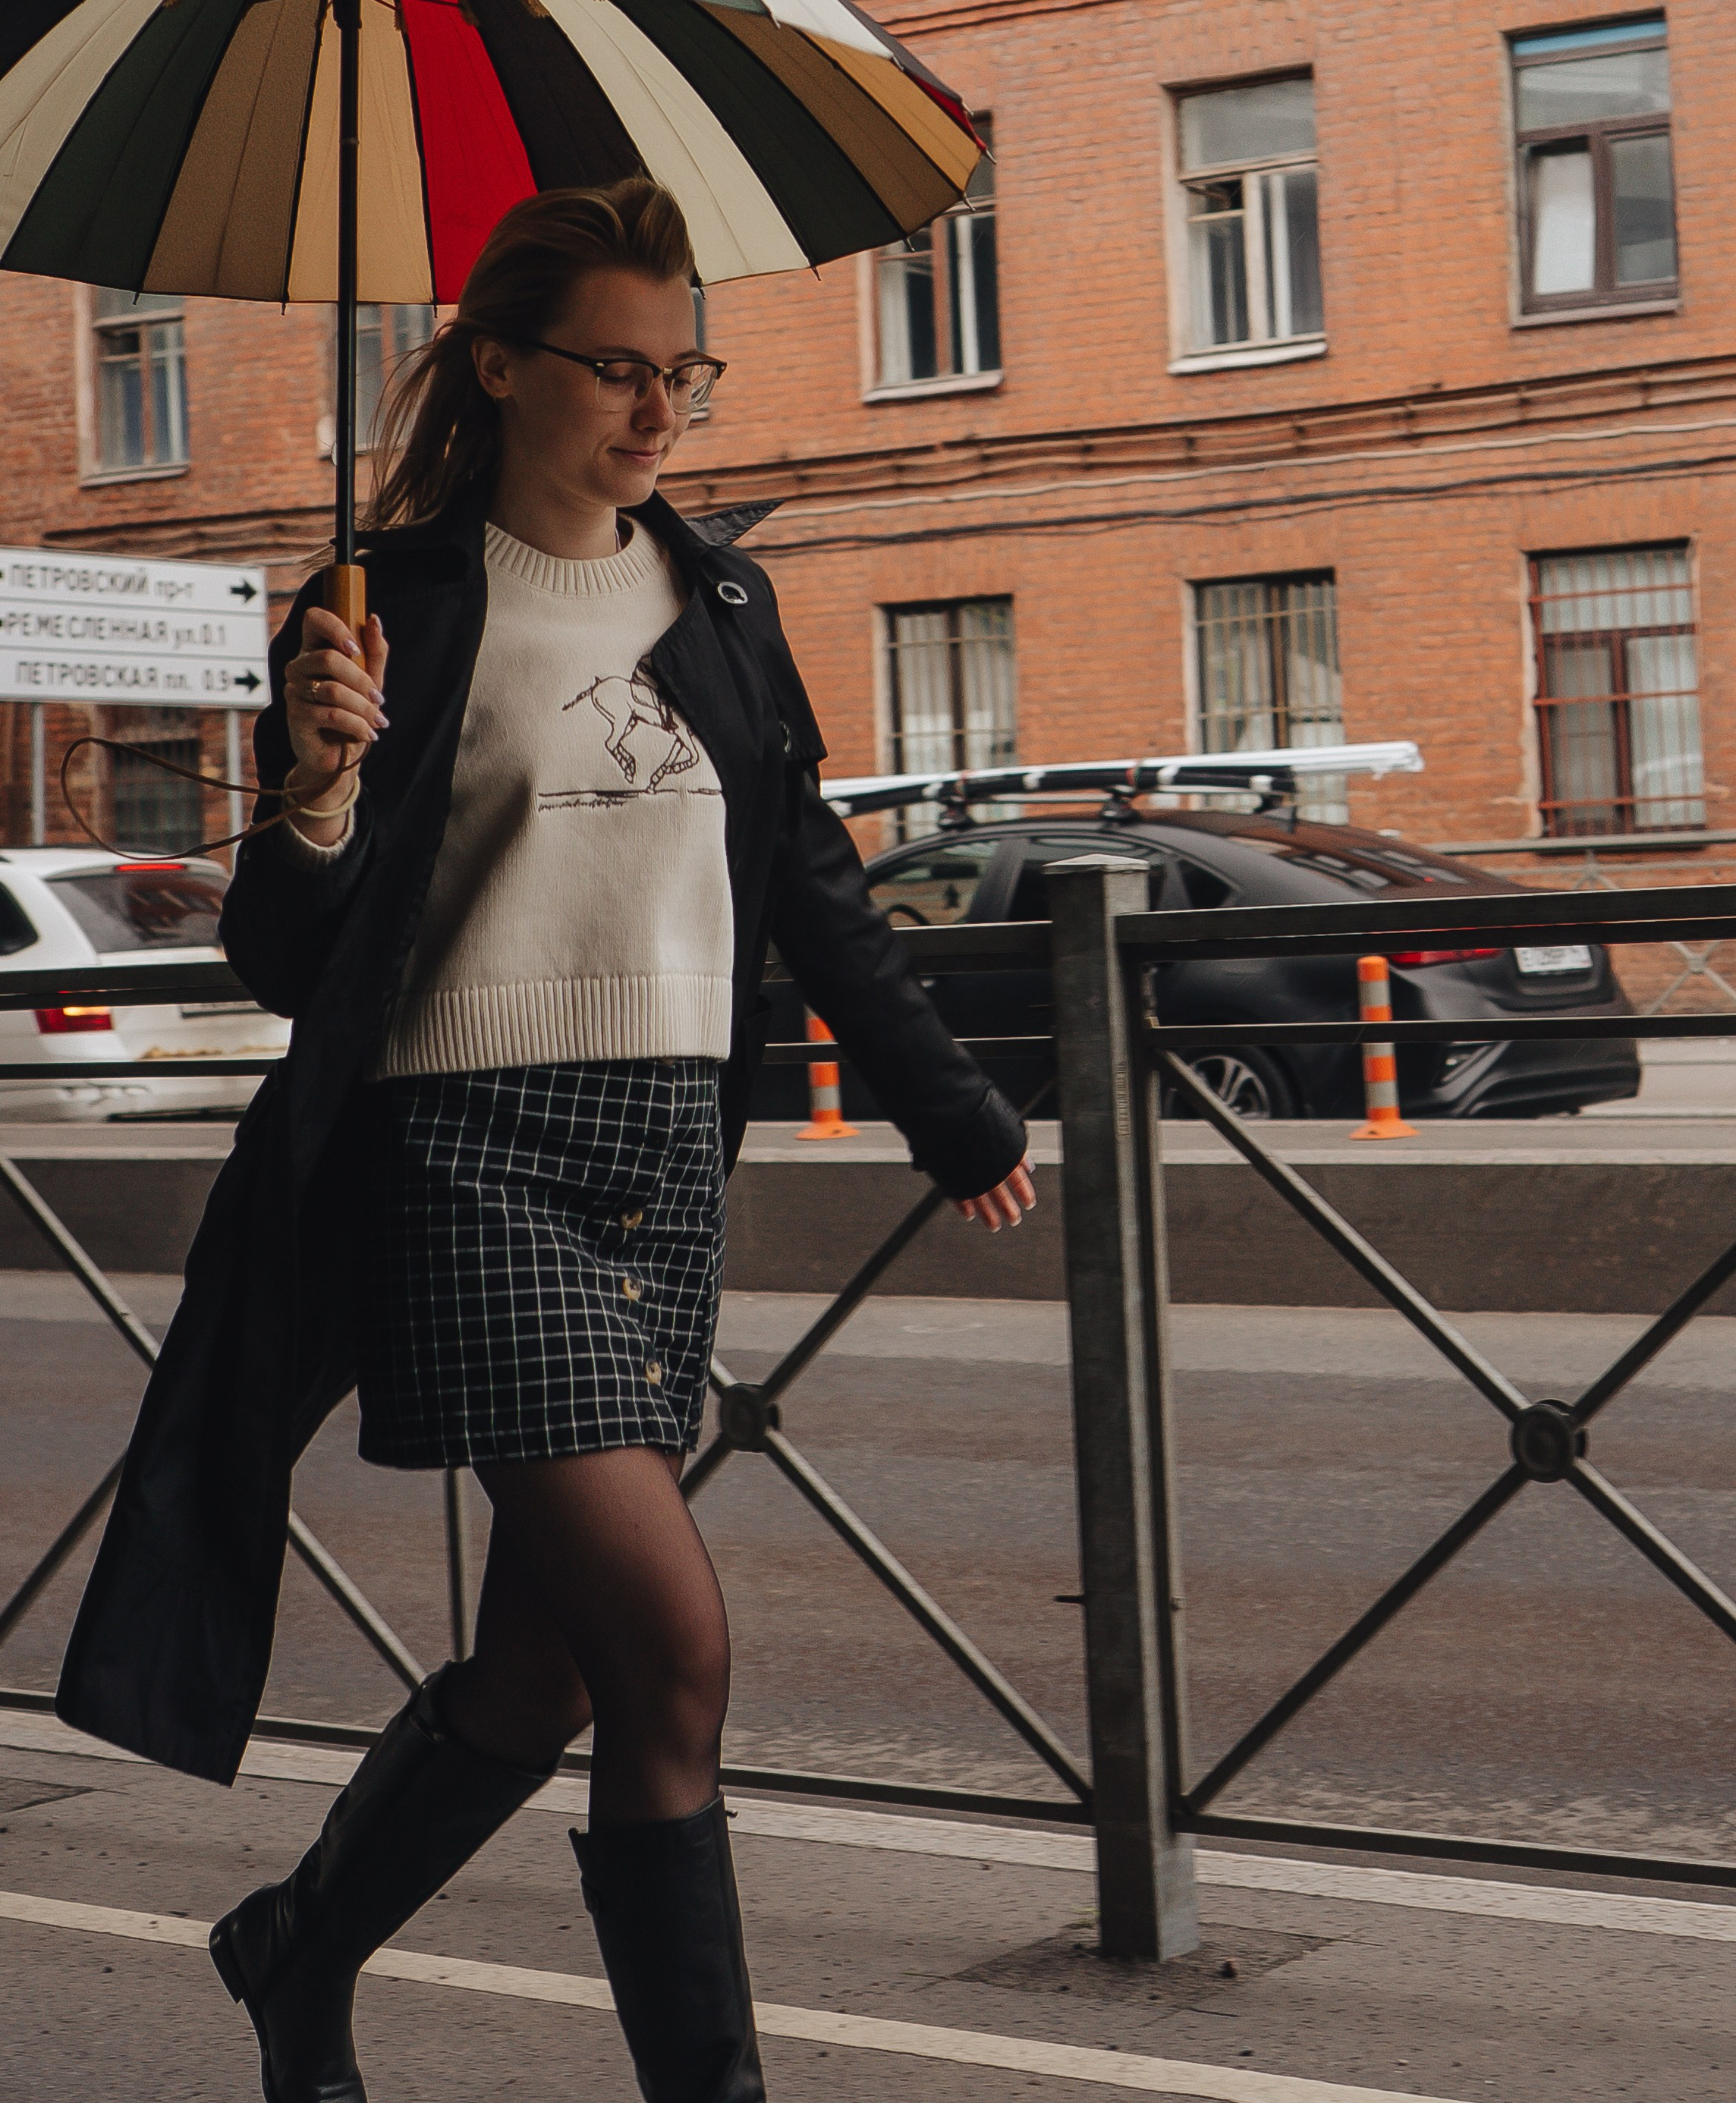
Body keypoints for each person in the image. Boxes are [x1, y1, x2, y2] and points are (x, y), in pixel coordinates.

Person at [62, 179, 1033, 2103]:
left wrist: (948, 1104)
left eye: (684, 370)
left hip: (666, 1158)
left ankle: (292, 1947)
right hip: (463, 1152)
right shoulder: (385, 608)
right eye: (613, 365)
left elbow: (811, 885)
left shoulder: (723, 600)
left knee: (553, 1670)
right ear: (498, 364)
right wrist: (316, 791)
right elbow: (286, 952)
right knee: (672, 1650)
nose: (657, 406)